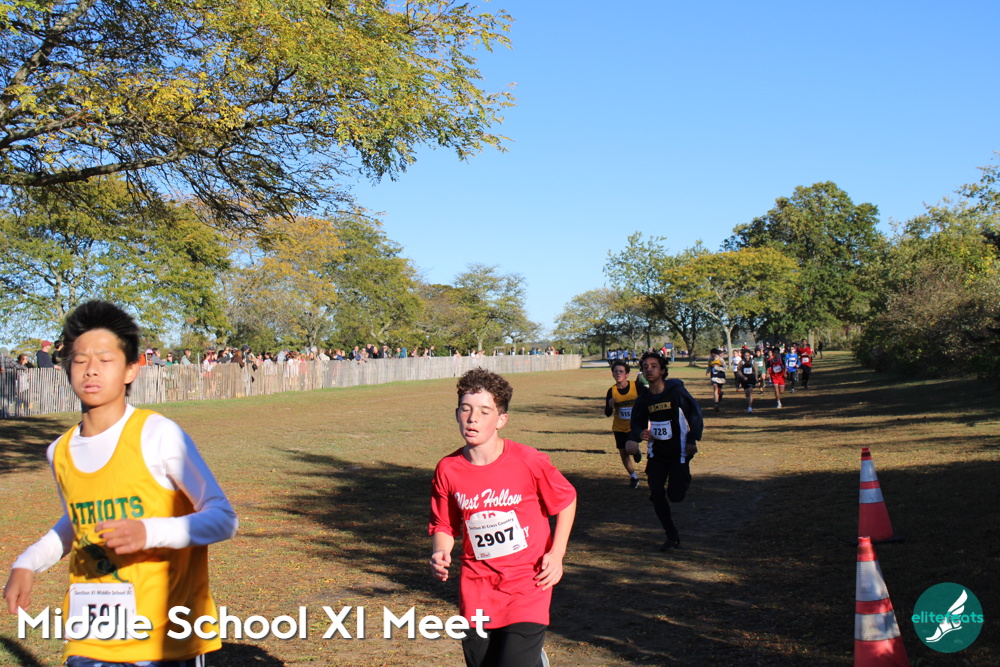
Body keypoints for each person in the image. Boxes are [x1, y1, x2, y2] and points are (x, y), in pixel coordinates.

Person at [4, 301, 239, 665]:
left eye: (105, 359)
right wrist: (28, 562)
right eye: (80, 360)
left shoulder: (157, 434)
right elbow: (79, 522)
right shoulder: (59, 452)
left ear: (131, 369)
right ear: (66, 368)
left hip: (163, 640)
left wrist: (149, 532)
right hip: (90, 637)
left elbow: (223, 518)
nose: (91, 369)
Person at [429, 368, 576, 667]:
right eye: (466, 409)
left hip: (527, 584)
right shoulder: (448, 468)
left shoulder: (528, 460)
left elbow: (566, 500)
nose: (473, 418)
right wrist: (440, 550)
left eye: (484, 412)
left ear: (501, 420)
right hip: (477, 586)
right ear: (456, 414)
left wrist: (557, 553)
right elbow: (444, 523)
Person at [626, 351, 703, 552]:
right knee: (657, 493)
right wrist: (639, 433)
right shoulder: (644, 398)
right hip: (656, 453)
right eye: (645, 367)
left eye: (654, 366)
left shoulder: (676, 392)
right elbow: (636, 422)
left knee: (676, 495)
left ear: (662, 370)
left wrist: (692, 439)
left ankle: (683, 476)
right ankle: (671, 536)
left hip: (679, 451)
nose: (649, 370)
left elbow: (695, 415)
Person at [604, 359, 647, 488]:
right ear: (612, 374)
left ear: (627, 374)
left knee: (630, 448)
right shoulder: (611, 391)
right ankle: (633, 477)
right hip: (619, 426)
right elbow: (607, 413)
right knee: (623, 453)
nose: (618, 373)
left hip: (634, 425)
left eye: (621, 371)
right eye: (616, 371)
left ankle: (636, 451)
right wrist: (610, 406)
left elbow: (648, 400)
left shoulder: (636, 386)